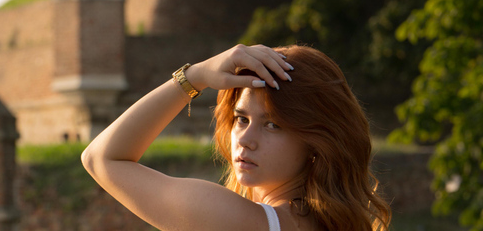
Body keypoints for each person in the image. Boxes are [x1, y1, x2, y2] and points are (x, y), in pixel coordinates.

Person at [81, 44, 391, 231]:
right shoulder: (332, 224)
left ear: (316, 142)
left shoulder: (237, 221)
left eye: (273, 126)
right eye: (241, 119)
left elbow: (101, 158)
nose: (244, 139)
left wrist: (195, 76)